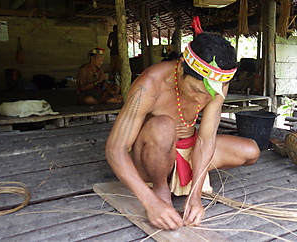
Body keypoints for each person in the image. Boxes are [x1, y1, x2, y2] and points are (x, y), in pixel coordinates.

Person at [105, 33, 260, 230]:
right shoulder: (150, 83)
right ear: (180, 67)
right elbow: (115, 149)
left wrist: (195, 195)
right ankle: (161, 190)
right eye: (195, 90)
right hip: (149, 156)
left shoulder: (218, 82)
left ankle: (184, 184)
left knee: (250, 151)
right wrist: (151, 202)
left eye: (208, 95)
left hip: (186, 150)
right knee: (163, 126)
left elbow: (206, 139)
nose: (200, 99)